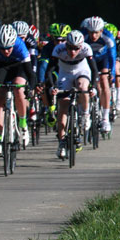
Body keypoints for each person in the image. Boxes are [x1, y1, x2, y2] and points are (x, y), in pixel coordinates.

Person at [0, 24, 36, 157]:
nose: (6, 51)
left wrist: (31, 88)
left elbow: (30, 73)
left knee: (19, 89)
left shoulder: (20, 45)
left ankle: (23, 124)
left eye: (9, 48)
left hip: (18, 67)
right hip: (1, 67)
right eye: (3, 48)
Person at [46, 30, 98, 158]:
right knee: (63, 105)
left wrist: (93, 87)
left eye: (76, 49)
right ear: (66, 45)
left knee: (82, 86)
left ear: (81, 46)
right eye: (70, 48)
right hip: (65, 74)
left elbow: (94, 70)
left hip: (82, 71)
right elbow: (50, 70)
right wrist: (52, 86)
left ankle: (85, 114)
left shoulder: (86, 48)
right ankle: (62, 142)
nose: (73, 52)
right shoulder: (58, 49)